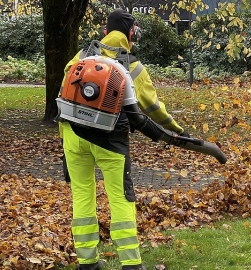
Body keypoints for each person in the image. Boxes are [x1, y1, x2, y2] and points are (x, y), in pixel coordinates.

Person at [59, 9, 187, 270]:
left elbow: (65, 96)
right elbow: (152, 108)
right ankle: (130, 264)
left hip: (73, 137)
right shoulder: (132, 67)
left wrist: (65, 143)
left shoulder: (80, 57)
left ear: (105, 32)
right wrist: (177, 131)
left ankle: (87, 262)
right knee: (120, 197)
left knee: (82, 195)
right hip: (110, 142)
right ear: (131, 35)